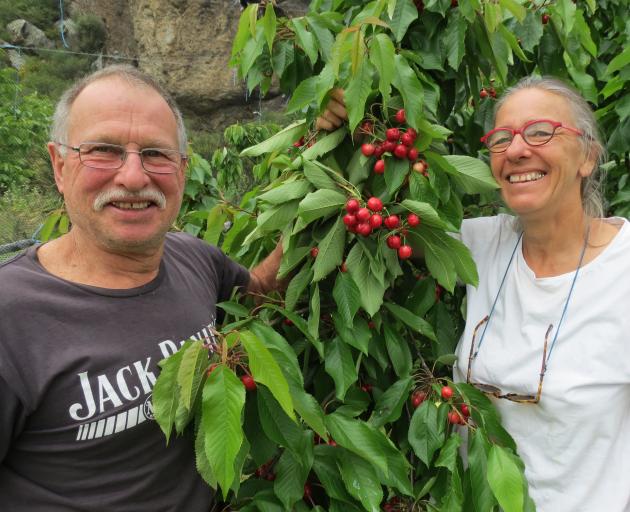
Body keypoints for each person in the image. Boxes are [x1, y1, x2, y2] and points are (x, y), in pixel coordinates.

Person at [318, 76, 630, 511]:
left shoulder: (623, 271)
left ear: (588, 157)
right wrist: (345, 126)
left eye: (541, 131)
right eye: (501, 138)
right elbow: (372, 212)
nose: (517, 150)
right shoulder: (478, 245)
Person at [0, 64, 283, 511]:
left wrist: (332, 165)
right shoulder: (10, 317)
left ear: (183, 170)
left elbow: (264, 292)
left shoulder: (195, 257)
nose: (134, 177)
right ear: (59, 165)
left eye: (156, 154)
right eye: (103, 151)